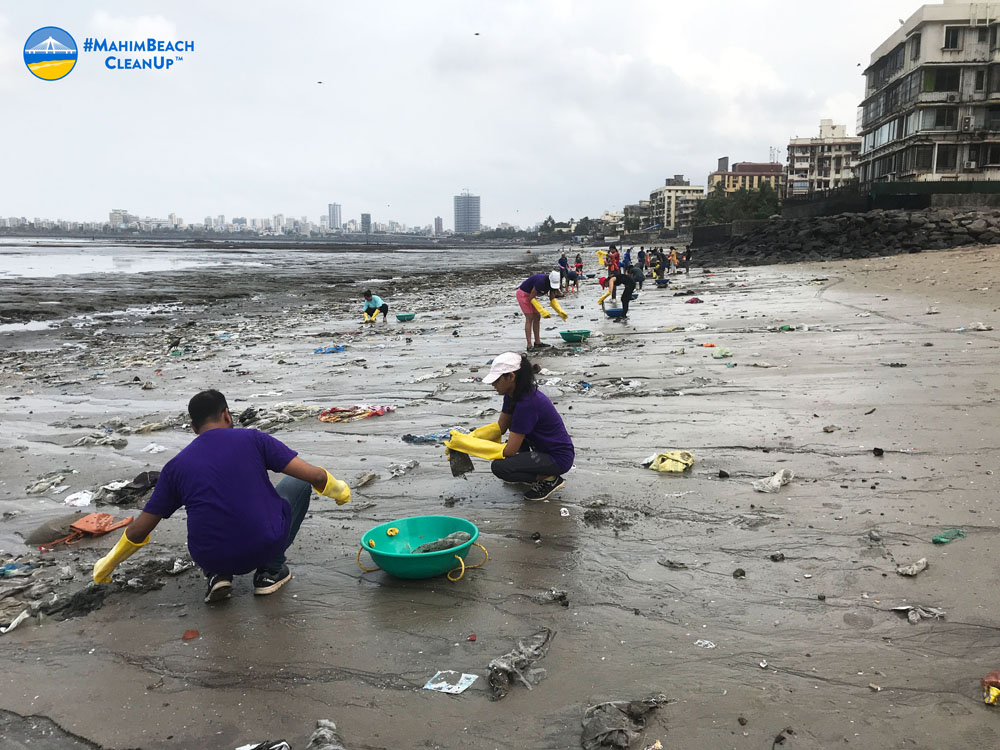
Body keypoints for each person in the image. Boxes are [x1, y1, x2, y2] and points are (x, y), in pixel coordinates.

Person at [92, 390, 351, 603]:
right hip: (263, 543)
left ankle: (218, 576)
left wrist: (109, 562)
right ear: (227, 414)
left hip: (210, 555)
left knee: (208, 509)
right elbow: (314, 476)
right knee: (297, 482)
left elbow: (140, 530)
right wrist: (340, 491)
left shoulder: (175, 467)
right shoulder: (253, 439)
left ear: (193, 427)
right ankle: (269, 572)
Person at [481, 352, 575, 501]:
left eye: (497, 380)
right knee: (511, 455)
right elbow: (500, 428)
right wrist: (468, 440)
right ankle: (535, 471)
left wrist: (476, 449)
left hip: (557, 458)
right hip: (539, 448)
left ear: (511, 377)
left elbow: (510, 450)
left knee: (500, 467)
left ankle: (549, 479)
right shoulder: (511, 394)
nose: (493, 384)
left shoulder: (527, 404)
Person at [516, 271, 568, 350]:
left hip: (531, 296)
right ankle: (529, 345)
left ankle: (537, 342)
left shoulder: (554, 284)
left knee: (537, 316)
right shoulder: (541, 281)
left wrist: (560, 311)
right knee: (529, 317)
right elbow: (531, 298)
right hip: (523, 294)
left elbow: (552, 298)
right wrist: (542, 310)